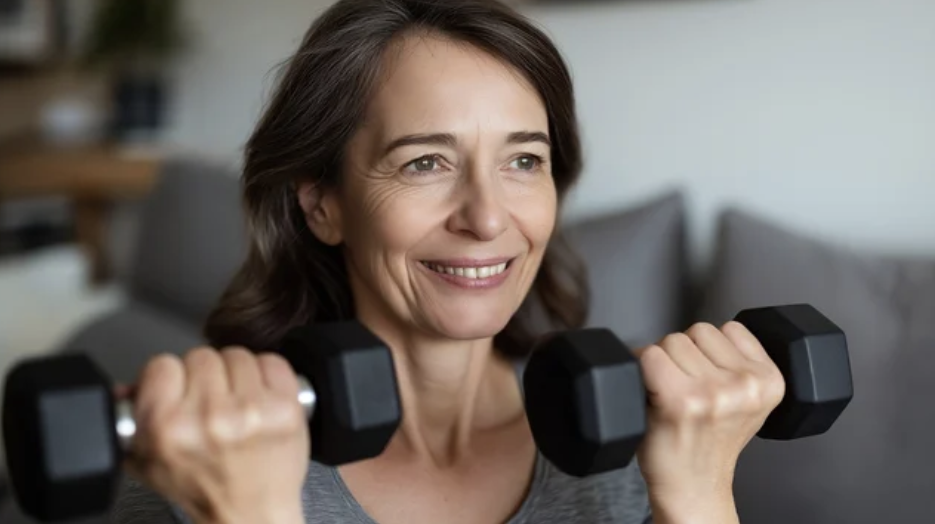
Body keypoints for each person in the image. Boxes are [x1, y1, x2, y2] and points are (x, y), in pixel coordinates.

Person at [112, 0, 786, 523]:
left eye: (522, 161)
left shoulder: (635, 451)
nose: (487, 218)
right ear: (322, 204)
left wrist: (698, 495)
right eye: (425, 162)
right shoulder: (197, 460)